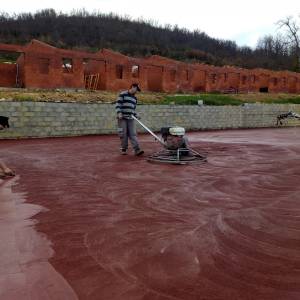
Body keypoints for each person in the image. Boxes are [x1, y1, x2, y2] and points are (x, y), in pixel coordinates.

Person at [115, 83, 144, 156]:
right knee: (123, 134)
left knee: (133, 134)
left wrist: (136, 115)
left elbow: (133, 109)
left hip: (130, 118)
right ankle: (124, 149)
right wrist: (119, 113)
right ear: (133, 87)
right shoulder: (123, 94)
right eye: (136, 89)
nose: (136, 91)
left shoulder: (135, 99)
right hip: (122, 118)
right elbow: (118, 104)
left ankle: (137, 150)